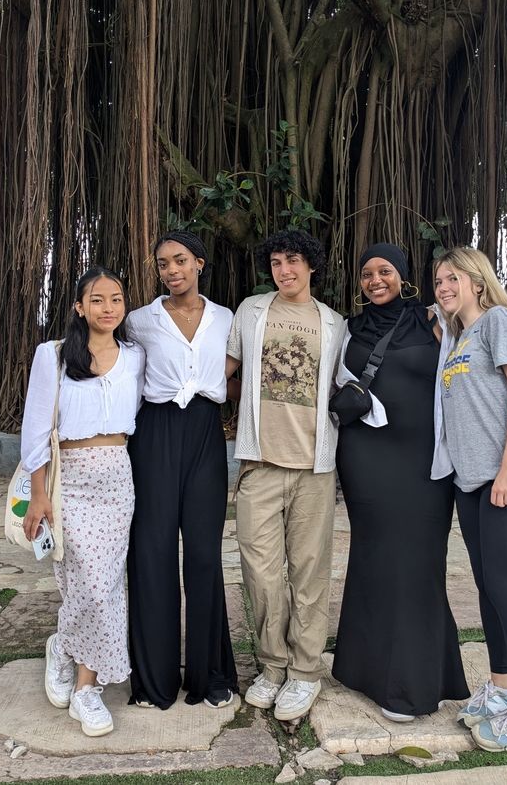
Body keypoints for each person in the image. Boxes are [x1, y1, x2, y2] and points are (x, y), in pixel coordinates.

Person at [331, 243, 469, 721]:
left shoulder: (433, 321)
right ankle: (362, 670)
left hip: (425, 463)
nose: (375, 280)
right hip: (365, 459)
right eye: (367, 272)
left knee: (418, 564)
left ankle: (415, 683)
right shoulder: (347, 328)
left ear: (404, 276)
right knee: (373, 559)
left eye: (385, 271)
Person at [226, 230, 345, 721]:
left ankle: (304, 672)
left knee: (310, 574)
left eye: (293, 260)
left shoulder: (335, 324)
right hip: (261, 465)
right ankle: (272, 665)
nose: (284, 270)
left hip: (315, 469)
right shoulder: (250, 311)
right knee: (259, 572)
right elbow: (223, 373)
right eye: (275, 262)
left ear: (311, 265)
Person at [434, 246, 507, 752]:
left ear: (477, 281)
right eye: (437, 281)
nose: (443, 287)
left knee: (506, 588)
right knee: (487, 589)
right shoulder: (457, 337)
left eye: (452, 278)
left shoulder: (498, 321)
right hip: (471, 482)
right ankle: (502, 690)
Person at [21, 267, 145, 737]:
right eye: (97, 300)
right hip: (67, 481)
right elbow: (35, 429)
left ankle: (84, 689)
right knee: (83, 581)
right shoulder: (52, 356)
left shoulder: (135, 356)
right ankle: (64, 647)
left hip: (117, 477)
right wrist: (38, 495)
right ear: (79, 306)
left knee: (106, 583)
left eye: (116, 298)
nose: (108, 308)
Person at [125, 231, 237, 710]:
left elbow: (232, 366)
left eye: (180, 261)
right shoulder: (138, 321)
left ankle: (210, 676)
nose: (171, 271)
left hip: (206, 435)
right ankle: (154, 681)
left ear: (200, 263)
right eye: (163, 264)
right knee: (152, 554)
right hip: (154, 434)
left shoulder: (226, 318)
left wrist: (215, 380)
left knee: (205, 557)